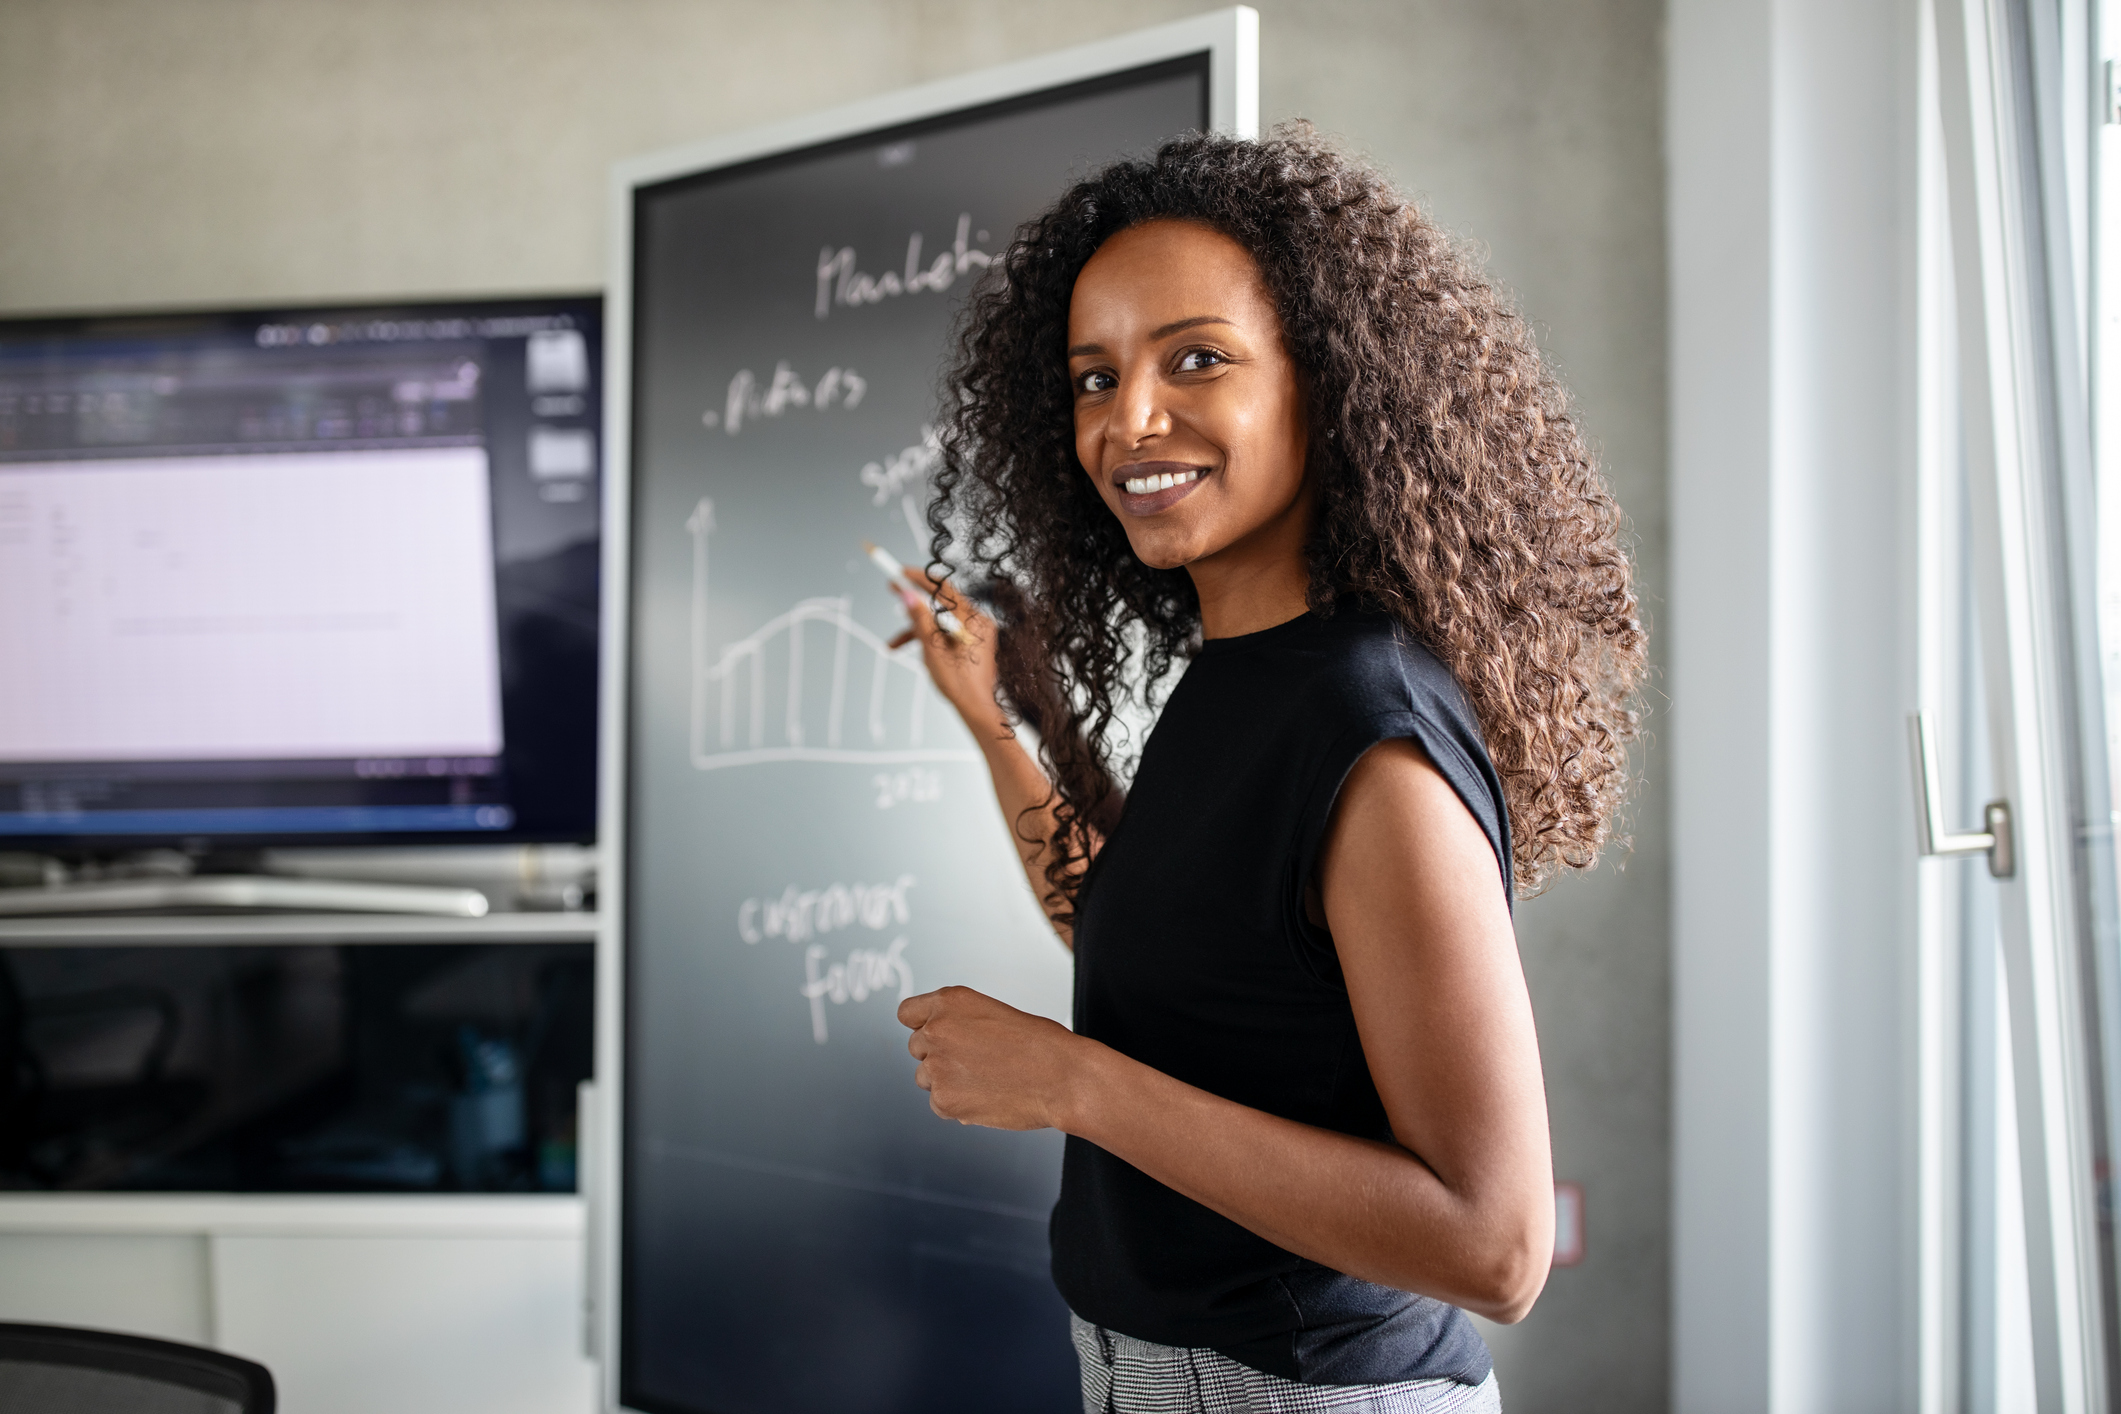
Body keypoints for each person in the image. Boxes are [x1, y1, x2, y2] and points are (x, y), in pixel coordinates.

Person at [888, 125, 1644, 1414]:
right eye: (1091, 377)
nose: (1129, 419)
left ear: (1328, 382)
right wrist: (1008, 723)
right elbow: (1140, 926)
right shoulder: (1248, 668)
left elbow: (1495, 1246)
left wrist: (1070, 1082)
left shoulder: (1370, 724)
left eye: (1197, 359)